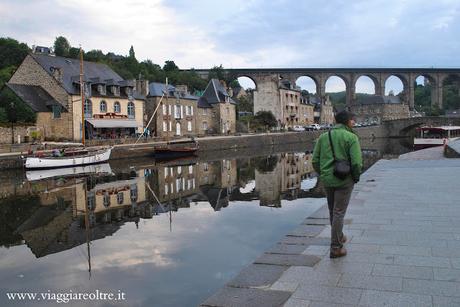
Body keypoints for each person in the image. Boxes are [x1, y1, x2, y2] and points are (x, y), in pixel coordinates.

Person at [312, 111, 363, 258]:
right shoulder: (351, 137)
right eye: (352, 120)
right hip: (344, 180)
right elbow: (356, 163)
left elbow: (315, 161)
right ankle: (336, 247)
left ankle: (339, 237)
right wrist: (355, 177)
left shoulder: (323, 136)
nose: (353, 123)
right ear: (347, 122)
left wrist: (323, 174)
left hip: (328, 180)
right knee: (339, 212)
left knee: (332, 211)